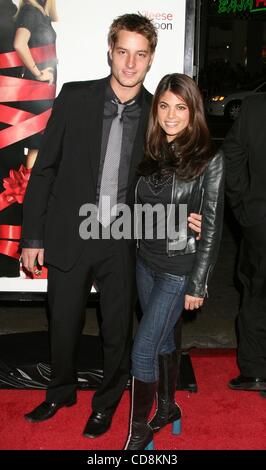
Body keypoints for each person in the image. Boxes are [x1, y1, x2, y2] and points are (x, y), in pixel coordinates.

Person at [21, 14, 201, 438]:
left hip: (123, 239)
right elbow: (44, 170)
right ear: (110, 51)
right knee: (62, 322)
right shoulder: (75, 97)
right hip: (70, 232)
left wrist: (191, 213)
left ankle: (106, 403)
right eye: (123, 52)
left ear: (151, 58)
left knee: (116, 332)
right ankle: (59, 391)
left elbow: (181, 173)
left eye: (140, 55)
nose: (130, 63)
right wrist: (33, 235)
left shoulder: (159, 115)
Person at [124, 73, 224, 450]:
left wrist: (199, 283)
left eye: (180, 107)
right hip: (144, 262)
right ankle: (167, 408)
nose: (170, 115)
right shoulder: (150, 150)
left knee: (143, 349)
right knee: (163, 340)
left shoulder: (209, 159)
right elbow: (136, 211)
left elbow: (212, 228)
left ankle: (138, 432)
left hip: (178, 269)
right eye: (164, 106)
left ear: (193, 111)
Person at [223, 95, 266, 394]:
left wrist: (243, 207)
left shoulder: (255, 106)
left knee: (256, 291)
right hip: (259, 219)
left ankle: (255, 372)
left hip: (259, 219)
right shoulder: (255, 107)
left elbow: (232, 154)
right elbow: (232, 154)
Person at [13, 0, 58, 169]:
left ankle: (29, 191)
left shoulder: (41, 14)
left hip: (43, 91)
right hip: (37, 91)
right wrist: (38, 73)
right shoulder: (30, 11)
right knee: (36, 144)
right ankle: (28, 192)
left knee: (39, 144)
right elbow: (19, 43)